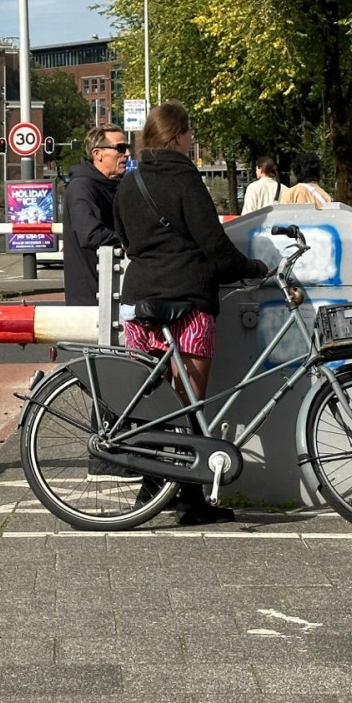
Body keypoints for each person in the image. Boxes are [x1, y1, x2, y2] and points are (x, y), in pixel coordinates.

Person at [114, 102, 270, 525]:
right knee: (189, 406)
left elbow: (126, 240)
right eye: (189, 134)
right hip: (187, 306)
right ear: (180, 136)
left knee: (152, 404)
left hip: (140, 304)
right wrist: (254, 268)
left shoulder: (131, 182)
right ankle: (189, 501)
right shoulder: (187, 180)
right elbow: (215, 247)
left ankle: (150, 493)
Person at [62, 123, 128, 305]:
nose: (127, 154)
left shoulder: (115, 185)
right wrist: (127, 242)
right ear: (97, 153)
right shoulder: (82, 187)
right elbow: (90, 234)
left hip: (113, 291)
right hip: (91, 298)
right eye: (120, 148)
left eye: (127, 148)